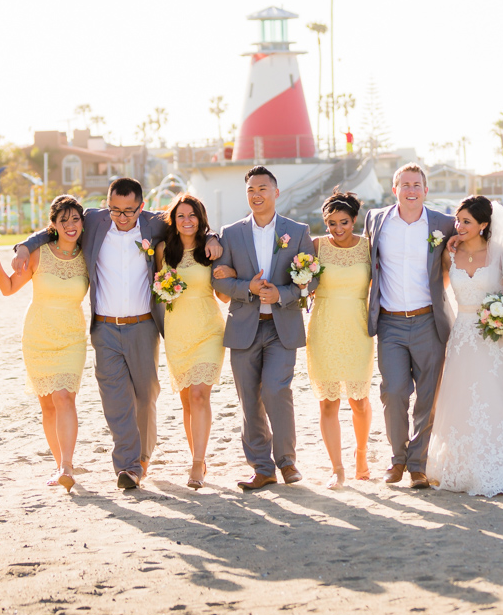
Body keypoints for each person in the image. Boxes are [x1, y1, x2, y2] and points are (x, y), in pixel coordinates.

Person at [13, 178, 222, 490]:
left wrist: (214, 235)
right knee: (115, 401)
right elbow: (53, 228)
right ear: (106, 205)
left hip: (144, 326)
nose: (121, 217)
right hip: (104, 328)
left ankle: (143, 460)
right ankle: (128, 466)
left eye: (128, 211)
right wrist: (23, 246)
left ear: (140, 206)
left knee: (145, 397)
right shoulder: (95, 221)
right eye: (115, 210)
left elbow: (190, 225)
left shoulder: (154, 224)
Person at [426, 196, 503, 496]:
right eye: (458, 221)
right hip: (461, 336)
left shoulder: (500, 255)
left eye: (467, 222)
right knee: (461, 398)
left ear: (483, 225)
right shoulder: (448, 254)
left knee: (499, 395)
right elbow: (436, 292)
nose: (460, 226)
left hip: (493, 336)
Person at [211, 166, 318, 490]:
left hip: (281, 327)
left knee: (276, 390)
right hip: (244, 326)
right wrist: (249, 289)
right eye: (251, 190)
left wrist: (282, 293)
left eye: (263, 188)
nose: (256, 195)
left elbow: (310, 277)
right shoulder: (230, 233)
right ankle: (262, 467)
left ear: (276, 192)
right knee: (249, 399)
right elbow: (221, 278)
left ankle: (286, 462)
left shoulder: (297, 231)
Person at [0, 195, 89, 492]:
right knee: (48, 406)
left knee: (65, 397)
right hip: (38, 336)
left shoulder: (87, 254)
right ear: (52, 225)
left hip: (72, 337)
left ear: (82, 222)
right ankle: (60, 465)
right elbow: (8, 288)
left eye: (75, 219)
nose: (70, 225)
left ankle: (67, 465)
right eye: (63, 220)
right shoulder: (38, 253)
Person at [363, 163, 456, 489]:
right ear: (395, 189)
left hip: (429, 320)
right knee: (394, 393)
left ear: (425, 190)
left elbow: (478, 233)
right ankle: (397, 458)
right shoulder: (376, 220)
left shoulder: (443, 223)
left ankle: (417, 464)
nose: (411, 190)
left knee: (427, 398)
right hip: (389, 323)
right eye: (405, 184)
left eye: (417, 184)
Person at [154, 193, 227, 490]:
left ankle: (198, 462)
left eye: (192, 215)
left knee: (199, 395)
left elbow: (222, 295)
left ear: (201, 219)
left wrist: (226, 270)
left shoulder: (211, 249)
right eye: (181, 215)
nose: (187, 221)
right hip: (177, 331)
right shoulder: (162, 250)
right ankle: (196, 455)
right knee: (187, 400)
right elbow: (156, 288)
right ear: (173, 219)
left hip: (208, 328)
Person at [306, 189, 374, 489]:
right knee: (328, 402)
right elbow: (297, 277)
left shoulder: (369, 248)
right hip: (324, 327)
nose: (337, 229)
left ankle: (361, 455)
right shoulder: (316, 246)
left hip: (358, 328)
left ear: (354, 220)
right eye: (331, 223)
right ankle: (337, 468)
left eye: (344, 222)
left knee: (358, 400)